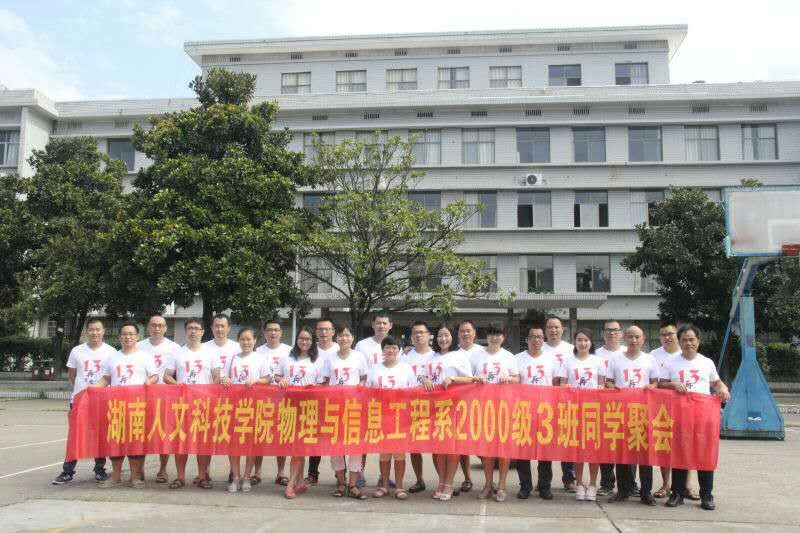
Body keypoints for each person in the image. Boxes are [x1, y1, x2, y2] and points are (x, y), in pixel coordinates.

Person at [660, 324, 730, 511]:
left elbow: (716, 382)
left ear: (698, 341)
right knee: (680, 453)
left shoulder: (706, 362)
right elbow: (661, 384)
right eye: (684, 340)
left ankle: (706, 495)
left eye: (692, 339)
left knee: (705, 454)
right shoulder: (671, 362)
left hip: (703, 417)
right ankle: (677, 493)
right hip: (680, 416)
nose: (688, 343)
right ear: (679, 342)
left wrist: (723, 389)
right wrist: (673, 385)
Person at [52, 317, 117, 485]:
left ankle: (99, 470)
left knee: (100, 436)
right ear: (86, 332)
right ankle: (67, 471)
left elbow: (111, 377)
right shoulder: (77, 351)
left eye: (98, 329)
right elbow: (72, 375)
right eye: (91, 329)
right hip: (80, 400)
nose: (95, 332)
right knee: (75, 435)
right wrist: (83, 391)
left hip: (102, 401)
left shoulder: (111, 352)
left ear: (103, 331)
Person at [95, 322, 158, 488]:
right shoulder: (112, 357)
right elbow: (106, 379)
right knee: (115, 441)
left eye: (131, 334)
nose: (127, 337)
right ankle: (116, 477)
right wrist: (93, 389)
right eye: (124, 334)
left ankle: (135, 477)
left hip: (137, 407)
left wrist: (149, 381)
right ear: (119, 337)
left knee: (135, 441)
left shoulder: (144, 356)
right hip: (116, 406)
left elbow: (155, 376)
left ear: (137, 337)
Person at [605, 325, 660, 505]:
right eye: (630, 336)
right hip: (621, 412)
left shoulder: (650, 359)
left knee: (645, 453)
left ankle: (646, 492)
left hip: (643, 413)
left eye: (637, 337)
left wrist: (650, 387)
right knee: (622, 452)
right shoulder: (615, 359)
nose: (634, 340)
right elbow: (608, 382)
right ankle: (623, 490)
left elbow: (655, 382)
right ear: (625, 338)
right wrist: (615, 389)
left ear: (643, 339)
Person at [164, 319, 221, 490]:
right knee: (181, 440)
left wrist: (208, 392)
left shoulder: (210, 353)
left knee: (202, 441)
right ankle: (180, 477)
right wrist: (178, 385)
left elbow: (217, 377)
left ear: (203, 332)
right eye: (190, 328)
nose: (193, 331)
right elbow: (166, 376)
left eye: (197, 328)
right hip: (182, 404)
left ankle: (202, 476)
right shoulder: (177, 353)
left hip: (204, 404)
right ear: (186, 331)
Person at [470, 323, 519, 502]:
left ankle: (502, 486)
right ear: (487, 336)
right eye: (491, 334)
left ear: (503, 337)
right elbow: (469, 378)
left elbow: (517, 379)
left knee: (503, 448)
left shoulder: (509, 357)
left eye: (498, 334)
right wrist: (476, 379)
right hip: (483, 408)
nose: (495, 338)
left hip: (504, 407)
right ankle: (488, 484)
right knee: (487, 448)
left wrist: (510, 379)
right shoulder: (476, 356)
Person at [221, 327, 271, 493]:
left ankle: (247, 476)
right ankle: (235, 476)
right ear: (239, 341)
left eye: (249, 339)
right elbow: (224, 377)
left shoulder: (260, 358)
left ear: (255, 341)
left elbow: (268, 379)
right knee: (234, 443)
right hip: (234, 405)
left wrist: (256, 380)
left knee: (251, 442)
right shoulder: (232, 358)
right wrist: (225, 379)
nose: (246, 342)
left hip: (254, 405)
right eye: (243, 339)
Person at [557, 328, 605, 501]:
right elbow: (562, 385)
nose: (583, 343)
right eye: (579, 340)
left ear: (591, 342)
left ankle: (592, 484)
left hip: (593, 410)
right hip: (574, 410)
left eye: (586, 340)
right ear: (575, 342)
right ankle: (579, 483)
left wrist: (600, 388)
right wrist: (568, 389)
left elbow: (602, 384)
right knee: (577, 450)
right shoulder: (567, 361)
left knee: (593, 449)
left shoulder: (598, 361)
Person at [367, 335, 417, 500]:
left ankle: (400, 487)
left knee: (399, 453)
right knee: (384, 453)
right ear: (382, 350)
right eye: (387, 347)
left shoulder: (406, 369)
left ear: (399, 350)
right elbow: (368, 392)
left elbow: (413, 392)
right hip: (381, 416)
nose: (390, 350)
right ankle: (384, 486)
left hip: (400, 417)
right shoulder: (375, 369)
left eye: (394, 347)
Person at [322, 325, 368, 499]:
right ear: (336, 338)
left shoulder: (359, 357)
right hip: (334, 408)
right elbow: (325, 381)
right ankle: (341, 483)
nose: (344, 338)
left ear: (352, 338)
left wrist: (359, 389)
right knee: (336, 447)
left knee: (355, 446)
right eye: (341, 335)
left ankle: (353, 484)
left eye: (347, 335)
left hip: (354, 408)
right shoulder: (330, 358)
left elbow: (364, 378)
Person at [276, 327, 323, 499]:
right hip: (289, 407)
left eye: (308, 339)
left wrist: (314, 387)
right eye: (301, 338)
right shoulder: (287, 359)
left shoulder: (318, 361)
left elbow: (323, 384)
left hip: (309, 408)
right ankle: (298, 481)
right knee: (296, 447)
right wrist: (281, 380)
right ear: (296, 340)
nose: (304, 342)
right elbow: (277, 376)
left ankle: (291, 484)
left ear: (313, 341)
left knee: (299, 447)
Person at [514, 325, 559, 500]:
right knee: (523, 451)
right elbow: (515, 383)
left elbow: (557, 384)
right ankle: (525, 486)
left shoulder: (551, 359)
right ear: (527, 339)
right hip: (524, 411)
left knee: (545, 451)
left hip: (546, 412)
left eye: (540, 337)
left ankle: (544, 486)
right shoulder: (518, 359)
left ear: (543, 339)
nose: (536, 340)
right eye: (533, 336)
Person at [431, 322, 475, 500]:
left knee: (452, 447)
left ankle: (449, 484)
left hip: (454, 407)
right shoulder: (432, 357)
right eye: (440, 335)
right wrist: (424, 379)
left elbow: (470, 379)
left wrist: (454, 379)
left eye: (446, 335)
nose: (443, 339)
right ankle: (441, 482)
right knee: (439, 447)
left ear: (452, 337)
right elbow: (426, 377)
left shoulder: (459, 356)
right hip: (435, 409)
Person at [136, 314, 181, 484]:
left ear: (166, 328)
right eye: (153, 325)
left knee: (164, 433)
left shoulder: (174, 348)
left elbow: (177, 372)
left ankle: (163, 469)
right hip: (143, 397)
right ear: (148, 327)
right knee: (142, 433)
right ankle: (139, 469)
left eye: (160, 325)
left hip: (166, 397)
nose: (157, 328)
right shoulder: (139, 346)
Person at [255, 318, 292, 487]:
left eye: (276, 330)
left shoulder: (289, 351)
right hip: (262, 399)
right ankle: (257, 472)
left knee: (282, 436)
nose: (273, 333)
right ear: (264, 333)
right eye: (269, 330)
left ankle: (281, 473)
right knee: (260, 435)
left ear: (281, 332)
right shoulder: (258, 351)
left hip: (283, 399)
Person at [542, 316, 577, 492]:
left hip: (566, 402)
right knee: (545, 440)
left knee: (566, 440)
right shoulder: (540, 347)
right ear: (545, 330)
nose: (553, 330)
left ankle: (569, 479)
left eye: (556, 327)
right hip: (545, 402)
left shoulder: (571, 349)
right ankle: (544, 481)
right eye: (550, 327)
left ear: (563, 329)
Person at [401, 321, 436, 495]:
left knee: (438, 445)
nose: (419, 335)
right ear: (411, 337)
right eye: (415, 333)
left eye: (422, 332)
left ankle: (443, 481)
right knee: (414, 446)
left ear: (429, 335)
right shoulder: (405, 357)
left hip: (434, 406)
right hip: (412, 405)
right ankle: (419, 480)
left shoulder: (436, 355)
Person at [649, 322, 682, 499]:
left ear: (677, 335)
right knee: (664, 445)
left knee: (683, 446)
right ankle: (665, 484)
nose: (667, 337)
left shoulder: (686, 353)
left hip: (684, 408)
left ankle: (686, 485)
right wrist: (671, 385)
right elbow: (653, 381)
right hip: (661, 408)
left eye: (670, 334)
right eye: (663, 334)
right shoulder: (653, 355)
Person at [453, 319, 486, 495]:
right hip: (460, 403)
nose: (465, 334)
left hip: (482, 403)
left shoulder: (483, 352)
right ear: (458, 334)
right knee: (462, 443)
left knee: (484, 442)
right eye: (462, 331)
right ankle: (467, 478)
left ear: (474, 333)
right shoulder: (454, 353)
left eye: (468, 330)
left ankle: (489, 481)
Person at [305, 318, 340, 486]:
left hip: (337, 401)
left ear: (333, 332)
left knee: (338, 438)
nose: (324, 332)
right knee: (315, 437)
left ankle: (341, 475)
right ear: (316, 331)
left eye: (327, 329)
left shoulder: (340, 348)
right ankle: (312, 473)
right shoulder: (310, 349)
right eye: (320, 329)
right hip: (314, 401)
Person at [593, 319, 626, 496]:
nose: (612, 333)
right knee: (605, 445)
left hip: (626, 408)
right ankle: (606, 483)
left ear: (621, 333)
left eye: (615, 330)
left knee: (626, 445)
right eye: (608, 330)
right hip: (602, 407)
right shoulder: (596, 354)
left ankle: (629, 484)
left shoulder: (628, 352)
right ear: (602, 333)